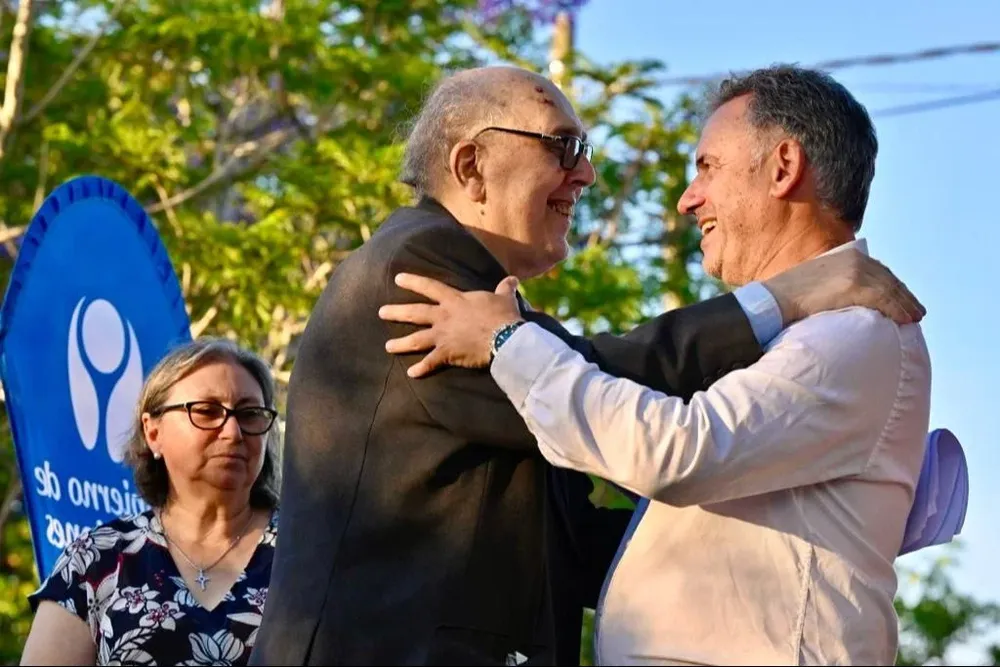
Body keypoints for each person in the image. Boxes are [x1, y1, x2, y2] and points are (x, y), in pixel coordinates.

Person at [252, 65, 923, 666]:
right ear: (470, 165)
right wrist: (786, 296)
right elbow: (604, 381)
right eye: (562, 146)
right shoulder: (418, 264)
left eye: (705, 167)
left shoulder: (854, 333)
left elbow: (574, 506)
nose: (587, 175)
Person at [20, 338, 281, 666]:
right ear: (153, 431)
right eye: (206, 411)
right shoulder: (95, 562)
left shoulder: (314, 550)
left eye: (250, 414)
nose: (233, 431)